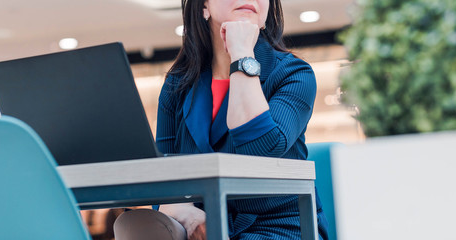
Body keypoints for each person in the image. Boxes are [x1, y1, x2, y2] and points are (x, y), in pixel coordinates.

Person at [114, 0, 329, 239]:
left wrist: (242, 56)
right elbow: (163, 178)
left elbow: (260, 152)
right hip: (200, 228)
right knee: (132, 226)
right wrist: (189, 215)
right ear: (203, 7)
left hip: (278, 228)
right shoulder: (178, 83)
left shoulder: (294, 73)